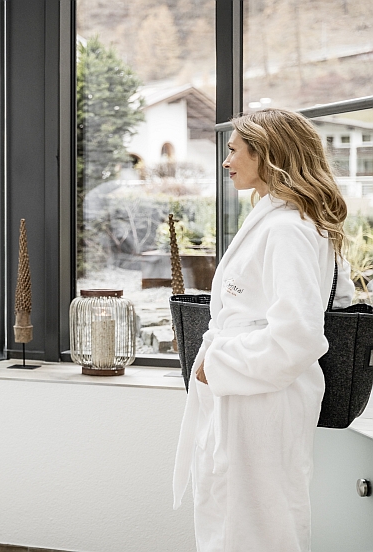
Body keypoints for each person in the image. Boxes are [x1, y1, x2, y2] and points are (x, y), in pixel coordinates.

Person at [173, 108, 354, 551]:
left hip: (261, 399)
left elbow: (298, 336)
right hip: (251, 396)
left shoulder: (289, 229)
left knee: (261, 525)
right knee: (237, 515)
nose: (225, 159)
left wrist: (219, 364)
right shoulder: (282, 220)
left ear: (266, 154)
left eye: (234, 149)